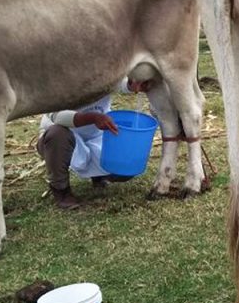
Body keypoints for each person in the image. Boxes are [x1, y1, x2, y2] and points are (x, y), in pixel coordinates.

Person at [37, 77, 153, 209]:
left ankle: (98, 176)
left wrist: (131, 84)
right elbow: (57, 116)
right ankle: (61, 189)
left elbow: (115, 81)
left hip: (96, 133)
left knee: (123, 168)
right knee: (57, 134)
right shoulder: (59, 76)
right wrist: (93, 118)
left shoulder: (99, 71)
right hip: (65, 136)